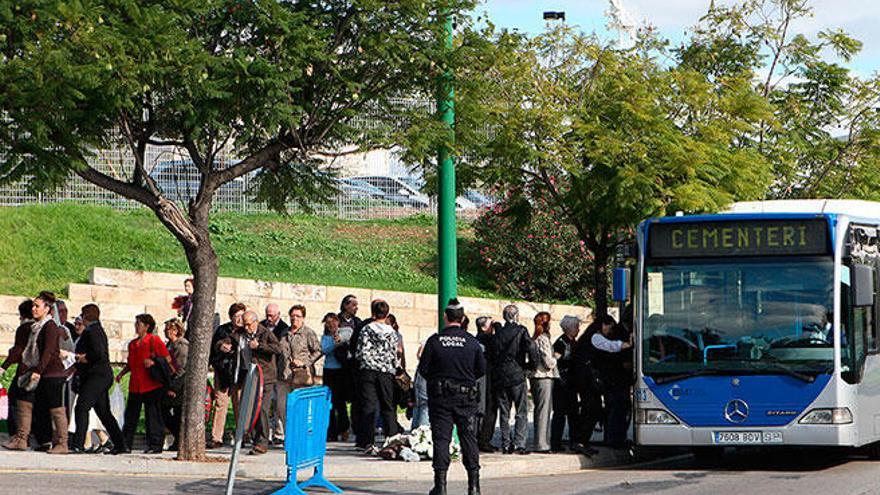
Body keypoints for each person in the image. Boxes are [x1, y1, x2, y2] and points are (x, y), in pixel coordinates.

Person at [418, 299, 486, 495]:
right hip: (466, 399)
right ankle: (474, 487)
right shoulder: (472, 342)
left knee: (441, 440)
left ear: (445, 317)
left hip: (441, 399)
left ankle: (441, 487)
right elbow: (481, 370)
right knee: (468, 439)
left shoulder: (435, 340)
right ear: (463, 318)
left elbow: (424, 369)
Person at [2, 292, 68, 453]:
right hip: (39, 371)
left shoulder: (50, 326)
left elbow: (49, 351)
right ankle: (21, 438)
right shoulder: (34, 326)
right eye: (33, 305)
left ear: (47, 309)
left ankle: (62, 443)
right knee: (25, 402)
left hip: (52, 373)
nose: (34, 309)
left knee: (56, 408)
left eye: (37, 306)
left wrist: (38, 370)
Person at [69, 304, 126, 455]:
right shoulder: (95, 330)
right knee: (104, 412)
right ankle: (120, 444)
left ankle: (78, 444)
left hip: (97, 376)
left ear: (87, 316)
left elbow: (98, 353)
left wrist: (82, 358)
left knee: (82, 407)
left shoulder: (93, 331)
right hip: (100, 376)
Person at [116, 314, 172, 454]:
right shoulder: (133, 344)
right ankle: (125, 444)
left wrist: (153, 362)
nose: (136, 326)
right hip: (136, 385)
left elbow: (167, 359)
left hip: (152, 384)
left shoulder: (154, 340)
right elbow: (131, 363)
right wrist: (122, 373)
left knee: (152, 416)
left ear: (147, 326)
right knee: (130, 417)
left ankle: (155, 444)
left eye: (138, 324)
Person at [231, 310, 282, 455]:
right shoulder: (241, 333)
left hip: (265, 377)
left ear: (256, 322)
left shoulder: (265, 333)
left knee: (262, 409)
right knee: (249, 407)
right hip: (250, 376)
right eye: (245, 324)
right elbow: (230, 339)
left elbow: (277, 348)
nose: (247, 328)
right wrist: (223, 345)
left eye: (249, 325)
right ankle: (252, 437)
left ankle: (262, 442)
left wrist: (259, 346)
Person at [354, 299, 399, 454]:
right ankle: (392, 439)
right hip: (386, 371)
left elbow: (360, 350)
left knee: (368, 405)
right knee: (388, 405)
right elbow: (395, 353)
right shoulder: (392, 332)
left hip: (368, 370)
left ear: (373, 313)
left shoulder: (366, 329)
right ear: (386, 314)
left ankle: (367, 442)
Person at [492, 305, 534, 455]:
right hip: (517, 374)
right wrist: (530, 367)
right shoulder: (521, 331)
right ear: (516, 316)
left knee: (504, 412)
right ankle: (519, 444)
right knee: (521, 411)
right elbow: (531, 349)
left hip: (501, 376)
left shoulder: (497, 334)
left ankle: (505, 443)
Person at [276, 304, 321, 442]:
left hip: (301, 377)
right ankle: (288, 434)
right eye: (293, 316)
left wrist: (305, 362)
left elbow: (318, 350)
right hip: (284, 375)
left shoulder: (308, 333)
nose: (295, 319)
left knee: (300, 407)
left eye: (298, 316)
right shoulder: (283, 333)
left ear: (303, 318)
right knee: (281, 407)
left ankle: (300, 435)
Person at [589, 314, 633, 448]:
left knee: (617, 409)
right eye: (609, 327)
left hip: (613, 379)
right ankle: (614, 439)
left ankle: (615, 438)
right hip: (612, 380)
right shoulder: (597, 337)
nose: (610, 331)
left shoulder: (608, 336)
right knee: (616, 409)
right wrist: (628, 345)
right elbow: (611, 347)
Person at [207, 302, 246, 448]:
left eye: (242, 315)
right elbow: (213, 347)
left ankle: (241, 436)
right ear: (231, 317)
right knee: (220, 403)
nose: (239, 319)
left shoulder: (246, 331)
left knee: (239, 404)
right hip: (223, 372)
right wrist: (220, 346)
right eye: (236, 316)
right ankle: (216, 437)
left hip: (239, 373)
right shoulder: (223, 330)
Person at [0, 299, 33, 437]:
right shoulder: (39, 327)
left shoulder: (24, 328)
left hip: (25, 369)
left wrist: (4, 366)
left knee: (15, 399)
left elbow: (18, 350)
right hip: (39, 368)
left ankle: (17, 433)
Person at [550, 315, 581, 452]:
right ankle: (556, 442)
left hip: (571, 383)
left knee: (574, 414)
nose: (578, 329)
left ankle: (574, 440)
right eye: (576, 327)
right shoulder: (561, 343)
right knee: (560, 414)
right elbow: (556, 361)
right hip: (562, 383)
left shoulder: (572, 342)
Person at [262, 303, 290, 445]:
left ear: (278, 315)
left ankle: (279, 433)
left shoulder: (284, 329)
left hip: (278, 369)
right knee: (266, 403)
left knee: (279, 403)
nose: (269, 318)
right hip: (264, 370)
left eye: (272, 315)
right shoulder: (262, 325)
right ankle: (266, 432)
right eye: (267, 314)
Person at [529, 312, 558, 453]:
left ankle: (542, 442)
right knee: (544, 411)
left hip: (535, 376)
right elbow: (548, 362)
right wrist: (556, 357)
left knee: (539, 409)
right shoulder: (544, 338)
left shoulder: (535, 337)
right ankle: (542, 444)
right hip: (544, 376)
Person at [320, 313, 351, 441]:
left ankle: (344, 428)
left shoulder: (344, 331)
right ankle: (331, 431)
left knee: (340, 403)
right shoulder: (325, 337)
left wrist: (339, 339)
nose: (331, 325)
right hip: (329, 370)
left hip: (341, 371)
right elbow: (324, 349)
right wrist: (335, 342)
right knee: (328, 403)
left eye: (333, 322)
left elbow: (348, 334)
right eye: (328, 322)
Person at [161, 318, 189, 452]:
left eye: (167, 329)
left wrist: (173, 387)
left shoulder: (181, 345)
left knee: (174, 413)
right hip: (170, 383)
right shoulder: (170, 345)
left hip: (179, 386)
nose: (165, 332)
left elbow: (182, 368)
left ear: (175, 330)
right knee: (165, 411)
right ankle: (178, 439)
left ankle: (179, 439)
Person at [474, 316, 497, 452]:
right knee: (489, 409)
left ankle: (479, 438)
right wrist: (499, 327)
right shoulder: (488, 339)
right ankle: (484, 440)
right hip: (488, 378)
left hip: (480, 378)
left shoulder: (476, 339)